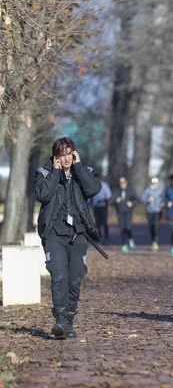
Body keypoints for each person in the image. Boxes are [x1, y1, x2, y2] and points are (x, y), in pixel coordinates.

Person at [33, 137, 102, 339]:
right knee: (59, 276)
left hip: (78, 234)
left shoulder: (83, 171)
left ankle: (69, 320)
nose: (66, 159)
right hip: (53, 233)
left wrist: (79, 167)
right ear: (55, 155)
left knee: (75, 277)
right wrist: (55, 172)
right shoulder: (44, 173)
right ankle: (60, 321)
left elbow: (93, 190)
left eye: (69, 154)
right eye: (62, 154)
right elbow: (42, 195)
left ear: (74, 153)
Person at [113, 176, 138, 253]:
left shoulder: (130, 191)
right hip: (120, 212)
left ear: (126, 183)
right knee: (122, 228)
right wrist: (116, 200)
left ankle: (130, 239)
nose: (122, 184)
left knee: (128, 227)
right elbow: (111, 201)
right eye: (121, 183)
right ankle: (124, 244)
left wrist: (132, 203)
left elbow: (136, 200)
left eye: (124, 182)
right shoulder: (116, 191)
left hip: (128, 212)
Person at [141, 176, 165, 252]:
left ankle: (156, 241)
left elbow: (164, 198)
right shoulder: (147, 191)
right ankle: (153, 240)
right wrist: (148, 200)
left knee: (156, 226)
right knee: (151, 226)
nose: (154, 183)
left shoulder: (160, 190)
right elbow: (143, 200)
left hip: (158, 211)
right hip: (150, 211)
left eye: (156, 182)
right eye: (153, 182)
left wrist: (162, 203)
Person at [90, 177, 112, 244]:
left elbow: (108, 195)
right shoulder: (93, 185)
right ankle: (99, 238)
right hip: (96, 206)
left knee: (104, 222)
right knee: (97, 223)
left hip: (103, 206)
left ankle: (106, 239)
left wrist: (105, 199)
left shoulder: (105, 185)